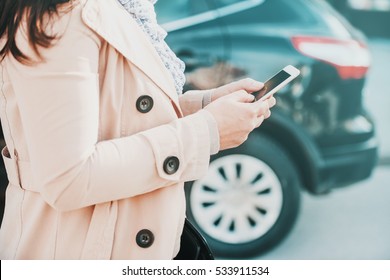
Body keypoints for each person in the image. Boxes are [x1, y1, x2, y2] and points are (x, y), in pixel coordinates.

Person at [0, 0, 275, 259]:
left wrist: (204, 107)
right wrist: (205, 131)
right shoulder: (61, 15)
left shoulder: (122, 7)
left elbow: (118, 113)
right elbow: (69, 178)